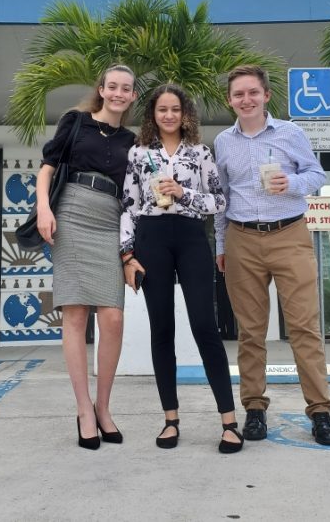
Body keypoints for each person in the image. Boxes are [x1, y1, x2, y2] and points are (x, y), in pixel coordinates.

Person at [214, 64, 330, 446]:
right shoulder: (222, 142)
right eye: (238, 94)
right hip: (241, 240)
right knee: (251, 332)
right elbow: (221, 199)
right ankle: (254, 409)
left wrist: (294, 183)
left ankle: (320, 412)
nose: (246, 99)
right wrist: (221, 246)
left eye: (253, 92)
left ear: (266, 95)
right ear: (230, 100)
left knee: (304, 327)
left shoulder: (291, 132)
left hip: (289, 234)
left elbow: (317, 174)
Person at [120, 84, 243, 454]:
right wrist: (128, 254)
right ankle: (170, 419)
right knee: (162, 330)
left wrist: (183, 192)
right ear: (152, 115)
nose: (169, 116)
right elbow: (128, 205)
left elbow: (219, 200)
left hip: (191, 237)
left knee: (205, 326)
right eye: (162, 110)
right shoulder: (139, 153)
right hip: (151, 238)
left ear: (185, 114)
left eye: (175, 109)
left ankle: (229, 422)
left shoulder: (201, 152)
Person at [36, 64, 137, 450]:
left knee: (112, 317)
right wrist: (44, 209)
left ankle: (104, 407)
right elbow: (47, 169)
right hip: (73, 212)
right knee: (75, 314)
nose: (117, 93)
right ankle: (83, 411)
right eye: (112, 86)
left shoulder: (132, 139)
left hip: (111, 218)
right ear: (101, 89)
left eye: (125, 88)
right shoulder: (75, 121)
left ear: (131, 97)